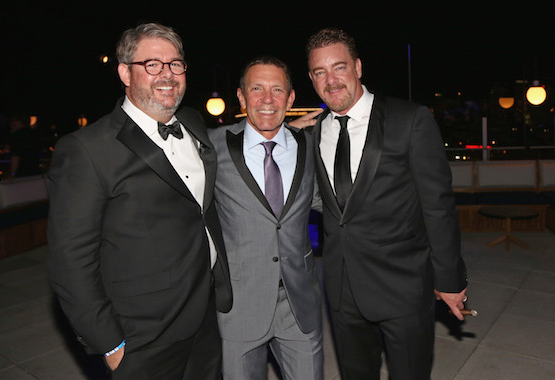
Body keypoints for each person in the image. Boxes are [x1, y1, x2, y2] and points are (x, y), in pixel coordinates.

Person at [46, 22, 232, 379]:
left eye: (175, 64)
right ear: (124, 72)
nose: (167, 74)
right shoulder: (87, 149)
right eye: (152, 64)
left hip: (206, 316)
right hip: (143, 334)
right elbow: (69, 261)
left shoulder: (192, 121)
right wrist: (109, 343)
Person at [305, 27, 468, 379]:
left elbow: (437, 206)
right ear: (311, 78)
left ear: (358, 67)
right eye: (320, 72)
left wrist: (450, 279)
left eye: (339, 67)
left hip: (403, 287)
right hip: (342, 289)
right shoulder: (315, 132)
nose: (330, 80)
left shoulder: (409, 120)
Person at [208, 57, 323, 380]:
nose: (267, 99)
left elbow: (335, 203)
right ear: (242, 98)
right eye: (256, 89)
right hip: (239, 307)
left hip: (299, 304)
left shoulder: (308, 147)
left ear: (290, 99)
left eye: (277, 90)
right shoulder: (211, 147)